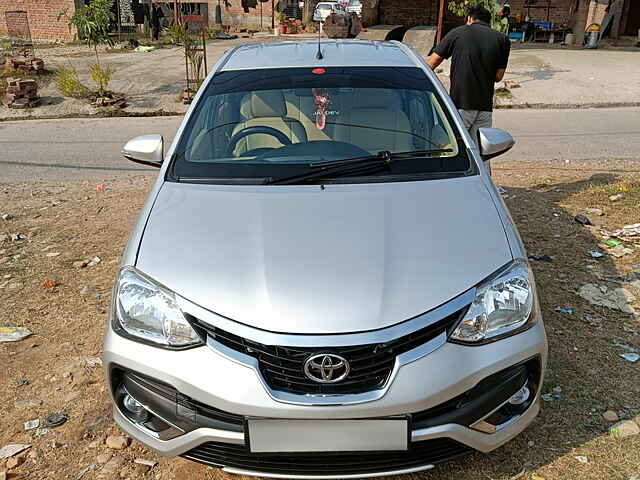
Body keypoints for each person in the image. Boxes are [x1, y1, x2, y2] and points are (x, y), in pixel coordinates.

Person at [427, 4, 511, 173]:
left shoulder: (458, 33)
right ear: (489, 22)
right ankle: (484, 186)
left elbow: (431, 63)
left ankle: (450, 182)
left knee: (451, 147)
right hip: (485, 107)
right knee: (483, 151)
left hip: (460, 103)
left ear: (470, 19)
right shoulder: (502, 39)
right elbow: (498, 77)